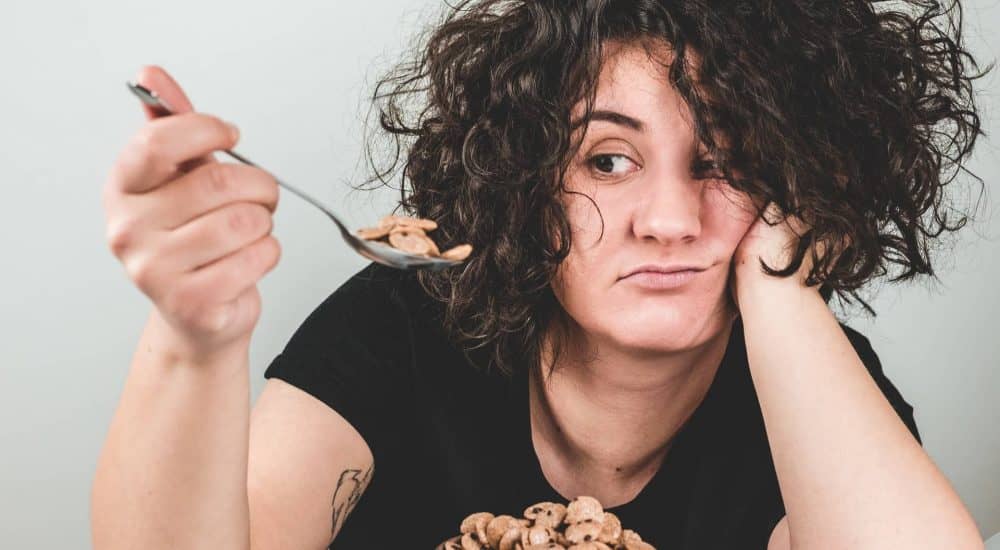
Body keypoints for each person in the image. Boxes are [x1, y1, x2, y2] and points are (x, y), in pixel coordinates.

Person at [91, 0, 991, 548]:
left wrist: (785, 283)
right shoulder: (403, 325)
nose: (669, 220)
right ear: (526, 181)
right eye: (607, 160)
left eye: (725, 163)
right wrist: (192, 341)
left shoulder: (814, 383)